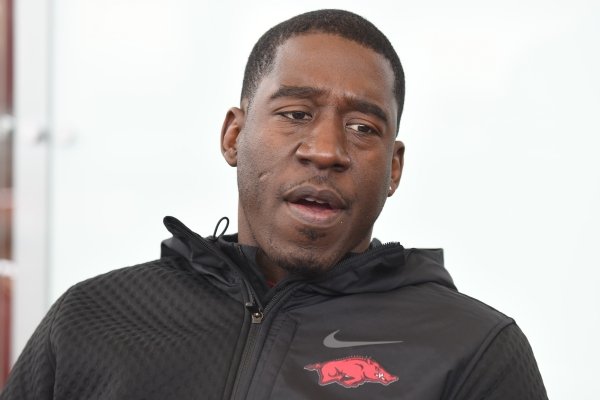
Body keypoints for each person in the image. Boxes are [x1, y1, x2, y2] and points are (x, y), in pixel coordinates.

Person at [1, 9, 547, 400]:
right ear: (234, 136)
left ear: (394, 170)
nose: (327, 150)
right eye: (295, 113)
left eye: (362, 127)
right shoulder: (95, 317)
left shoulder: (473, 349)